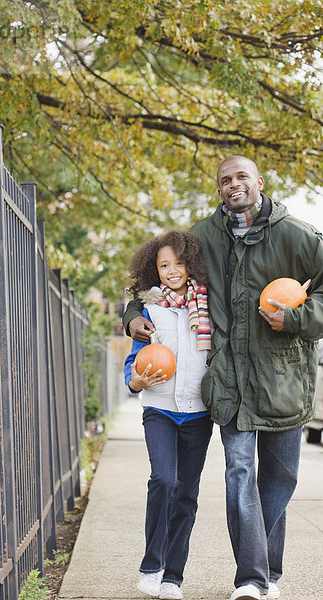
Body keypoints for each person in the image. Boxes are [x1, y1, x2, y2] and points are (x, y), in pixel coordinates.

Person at [123, 156, 323, 600]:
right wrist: (133, 314)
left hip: (284, 378)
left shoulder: (298, 234)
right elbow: (157, 276)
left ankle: (269, 570)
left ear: (260, 182)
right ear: (219, 189)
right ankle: (251, 579)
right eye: (225, 180)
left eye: (241, 177)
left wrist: (295, 318)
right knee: (239, 471)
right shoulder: (203, 237)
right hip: (229, 380)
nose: (234, 185)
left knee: (281, 478)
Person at [124, 230, 213, 600]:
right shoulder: (149, 311)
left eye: (178, 263)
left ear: (191, 264)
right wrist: (136, 382)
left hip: (198, 413)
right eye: (164, 265)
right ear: (153, 269)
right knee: (163, 480)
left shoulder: (209, 305)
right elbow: (133, 363)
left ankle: (173, 577)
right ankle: (151, 565)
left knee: (186, 494)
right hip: (159, 408)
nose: (172, 271)